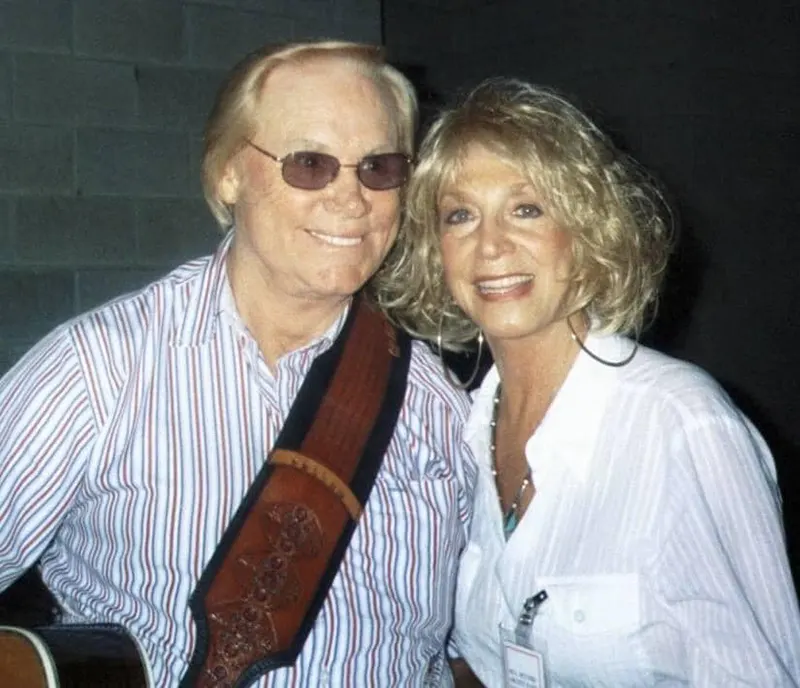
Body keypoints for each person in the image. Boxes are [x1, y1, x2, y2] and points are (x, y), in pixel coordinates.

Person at [0, 41, 477, 687]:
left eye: (379, 166)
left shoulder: (438, 403)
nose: (351, 199)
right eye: (310, 164)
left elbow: (476, 649)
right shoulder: (101, 370)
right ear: (228, 173)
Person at [388, 77, 800, 685]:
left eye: (526, 209)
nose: (491, 244)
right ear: (435, 250)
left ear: (586, 232)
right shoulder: (456, 431)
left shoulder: (681, 425)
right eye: (461, 216)